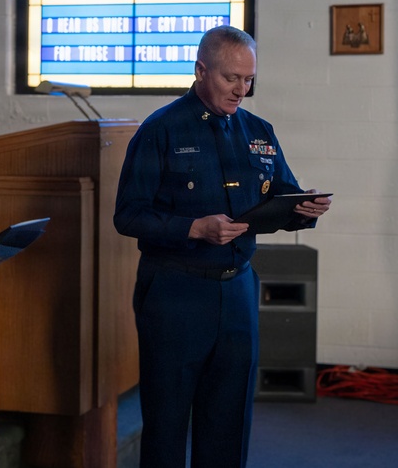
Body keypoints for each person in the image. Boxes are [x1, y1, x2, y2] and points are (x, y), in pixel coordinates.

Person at [113, 26, 331, 468]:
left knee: (229, 421)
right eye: (232, 78)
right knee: (168, 421)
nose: (242, 90)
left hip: (237, 292)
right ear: (200, 70)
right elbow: (128, 215)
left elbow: (279, 199)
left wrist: (301, 211)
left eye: (249, 80)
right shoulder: (161, 131)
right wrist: (194, 228)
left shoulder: (258, 131)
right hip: (175, 292)